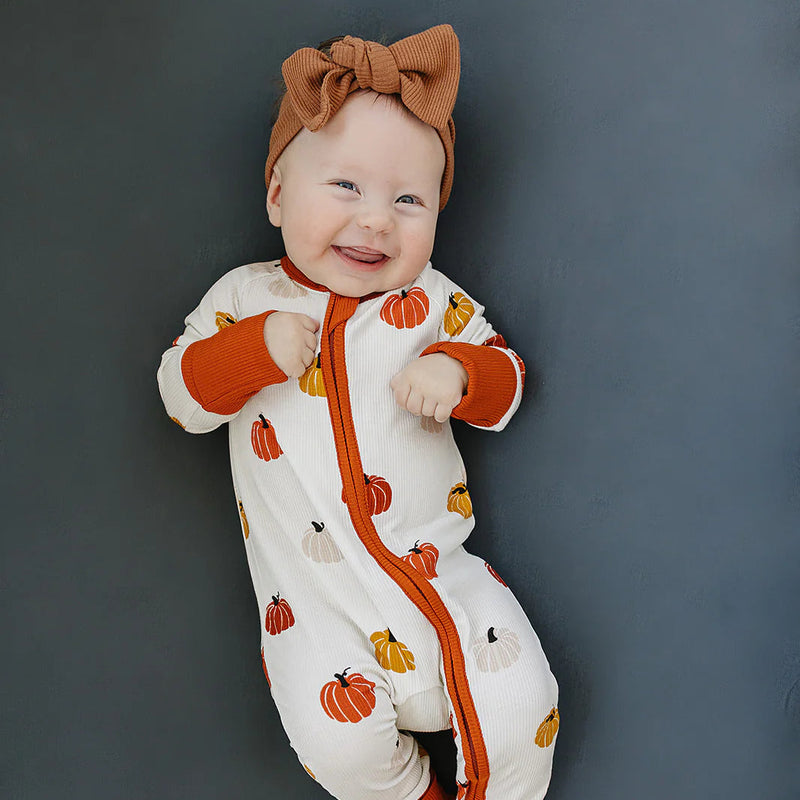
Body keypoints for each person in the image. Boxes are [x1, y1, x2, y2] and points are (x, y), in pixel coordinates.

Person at [157, 23, 559, 800]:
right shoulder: (245, 298)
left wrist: (458, 369)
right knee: (338, 748)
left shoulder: (431, 301)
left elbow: (507, 377)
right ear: (278, 195)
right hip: (315, 615)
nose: (377, 219)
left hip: (444, 586)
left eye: (409, 200)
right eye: (346, 187)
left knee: (523, 703)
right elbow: (181, 399)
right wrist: (251, 351)